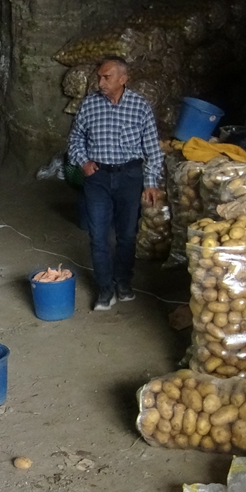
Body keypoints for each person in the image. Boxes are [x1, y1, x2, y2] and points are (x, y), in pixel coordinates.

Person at [67, 56, 165, 311]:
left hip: (129, 177)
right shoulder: (89, 105)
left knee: (127, 235)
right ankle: (104, 289)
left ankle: (123, 282)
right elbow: (75, 139)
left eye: (106, 77)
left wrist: (151, 182)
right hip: (97, 178)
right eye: (99, 77)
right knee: (98, 236)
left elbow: (152, 149)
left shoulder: (140, 106)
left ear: (123, 79)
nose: (100, 82)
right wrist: (83, 162)